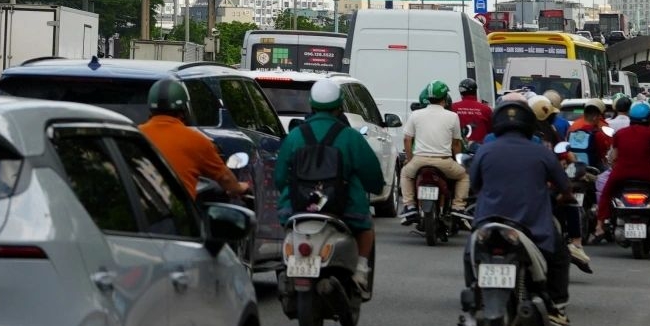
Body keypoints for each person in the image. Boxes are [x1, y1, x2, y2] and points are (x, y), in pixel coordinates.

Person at [468, 95, 573, 326]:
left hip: (487, 224)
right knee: (560, 256)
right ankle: (556, 304)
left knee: (471, 253)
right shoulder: (542, 152)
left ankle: (474, 296)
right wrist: (562, 197)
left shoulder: (485, 150)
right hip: (533, 227)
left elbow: (474, 185)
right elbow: (565, 187)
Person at [275, 78, 384, 289]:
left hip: (298, 205)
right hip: (343, 207)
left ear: (312, 105)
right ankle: (360, 271)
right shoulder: (350, 137)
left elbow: (280, 177)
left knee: (287, 226)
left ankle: (286, 263)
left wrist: (290, 195)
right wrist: (375, 187)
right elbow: (372, 175)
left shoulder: (295, 136)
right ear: (340, 106)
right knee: (366, 227)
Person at [139, 78, 251, 200]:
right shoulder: (197, 140)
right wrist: (240, 188)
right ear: (184, 109)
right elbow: (225, 178)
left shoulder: (135, 135)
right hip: (180, 212)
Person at [595, 102, 650, 239]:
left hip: (621, 173)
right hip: (647, 173)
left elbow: (614, 157)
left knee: (606, 192)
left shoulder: (620, 133)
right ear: (649, 119)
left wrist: (615, 165)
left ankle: (599, 226)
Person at [530, 95, 593, 274]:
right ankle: (576, 243)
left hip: (538, 185)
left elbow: (566, 152)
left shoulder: (536, 133)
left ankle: (575, 243)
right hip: (543, 185)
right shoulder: (545, 133)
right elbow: (565, 155)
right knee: (570, 200)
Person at [400, 81, 469, 222]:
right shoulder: (452, 116)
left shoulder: (416, 114)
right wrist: (459, 162)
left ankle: (410, 206)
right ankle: (458, 207)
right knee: (464, 176)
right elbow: (456, 143)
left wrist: (410, 158)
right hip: (444, 161)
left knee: (405, 174)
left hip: (419, 160)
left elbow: (407, 140)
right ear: (445, 98)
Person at [567, 100, 613, 170]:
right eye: (599, 116)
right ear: (595, 117)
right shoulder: (598, 133)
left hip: (575, 165)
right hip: (593, 167)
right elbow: (603, 153)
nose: (599, 118)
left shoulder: (573, 127)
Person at [452, 78, 493, 145]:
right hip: (480, 151)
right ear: (475, 91)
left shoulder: (453, 107)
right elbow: (491, 131)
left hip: (459, 149)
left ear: (461, 93)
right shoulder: (486, 109)